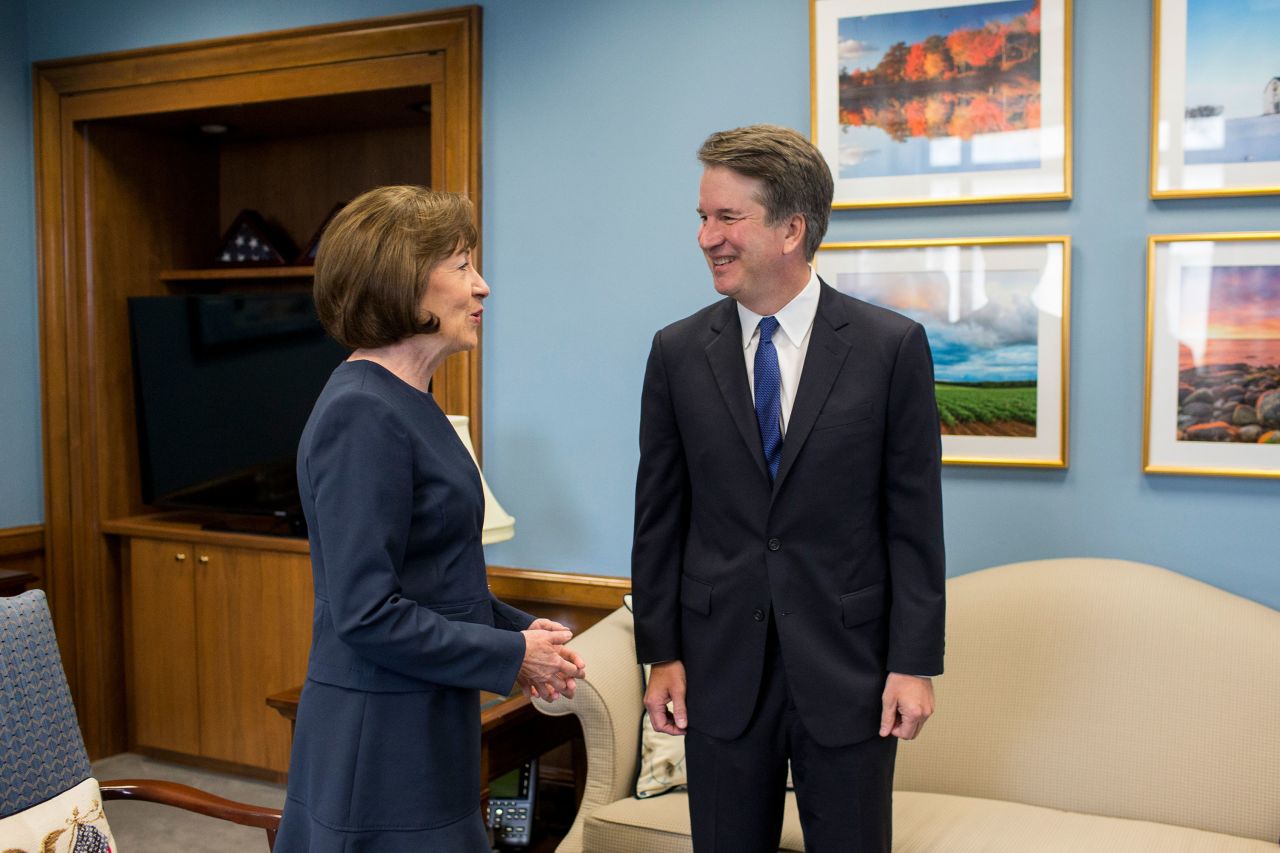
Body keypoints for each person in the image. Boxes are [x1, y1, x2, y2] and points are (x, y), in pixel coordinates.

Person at [631, 125, 945, 853]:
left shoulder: (890, 347)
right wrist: (662, 654)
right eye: (702, 217)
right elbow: (659, 517)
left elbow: (914, 520)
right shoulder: (676, 353)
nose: (707, 236)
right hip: (718, 668)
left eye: (726, 217)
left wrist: (913, 662)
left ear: (791, 229)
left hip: (851, 671)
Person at [275, 185, 585, 852]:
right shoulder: (362, 412)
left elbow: (435, 578)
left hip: (424, 719)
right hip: (380, 740)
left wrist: (521, 632)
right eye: (462, 264)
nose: (483, 287)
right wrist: (509, 654)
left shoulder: (409, 401)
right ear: (404, 283)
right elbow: (366, 611)